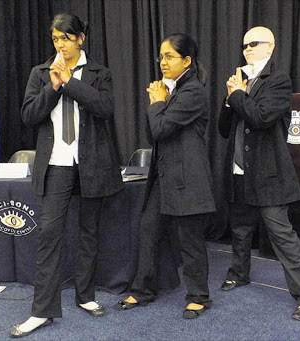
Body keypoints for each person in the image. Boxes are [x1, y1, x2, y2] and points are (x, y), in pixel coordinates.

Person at [10, 12, 123, 338]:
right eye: (56, 39)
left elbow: (104, 108)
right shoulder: (41, 73)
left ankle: (85, 296)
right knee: (49, 234)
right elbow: (29, 115)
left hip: (91, 163)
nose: (60, 44)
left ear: (80, 38)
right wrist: (54, 86)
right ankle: (42, 311)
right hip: (57, 163)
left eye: (66, 38)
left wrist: (70, 82)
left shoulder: (100, 73)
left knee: (89, 233)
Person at [218, 26, 300, 320]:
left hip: (268, 174)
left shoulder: (278, 80)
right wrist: (229, 98)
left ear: (270, 47)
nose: (247, 49)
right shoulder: (239, 81)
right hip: (238, 168)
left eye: (254, 44)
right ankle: (239, 274)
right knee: (239, 230)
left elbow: (262, 118)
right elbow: (223, 129)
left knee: (281, 234)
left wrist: (237, 95)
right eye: (244, 45)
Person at [115, 33, 216, 319]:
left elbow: (160, 129)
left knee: (190, 241)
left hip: (188, 178)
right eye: (161, 56)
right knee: (148, 232)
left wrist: (157, 102)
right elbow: (154, 134)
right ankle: (144, 289)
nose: (163, 62)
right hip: (163, 177)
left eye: (169, 56)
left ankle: (198, 296)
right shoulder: (170, 91)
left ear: (187, 60)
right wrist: (158, 102)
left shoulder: (193, 91)